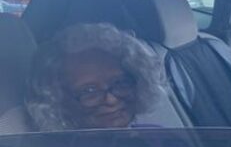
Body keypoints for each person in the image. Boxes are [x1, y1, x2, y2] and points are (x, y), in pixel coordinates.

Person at [27, 22, 165, 130]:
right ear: (57, 101)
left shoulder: (157, 137)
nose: (111, 100)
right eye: (89, 91)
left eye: (119, 83)